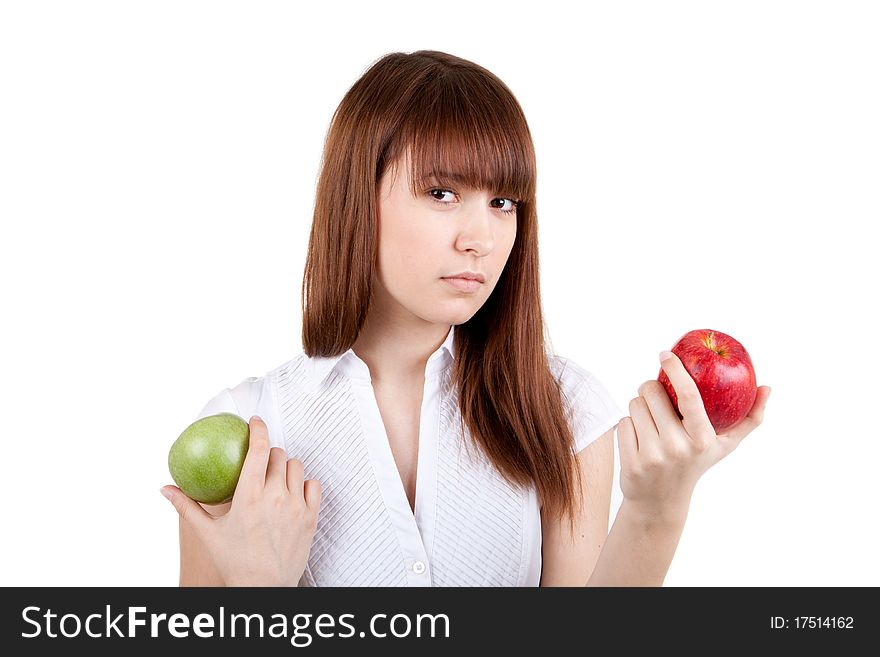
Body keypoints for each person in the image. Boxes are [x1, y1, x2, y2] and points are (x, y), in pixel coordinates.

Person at [160, 50, 771, 587]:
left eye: (503, 202)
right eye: (442, 193)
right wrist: (255, 589)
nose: (480, 237)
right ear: (356, 196)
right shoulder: (242, 431)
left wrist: (655, 507)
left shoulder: (565, 409)